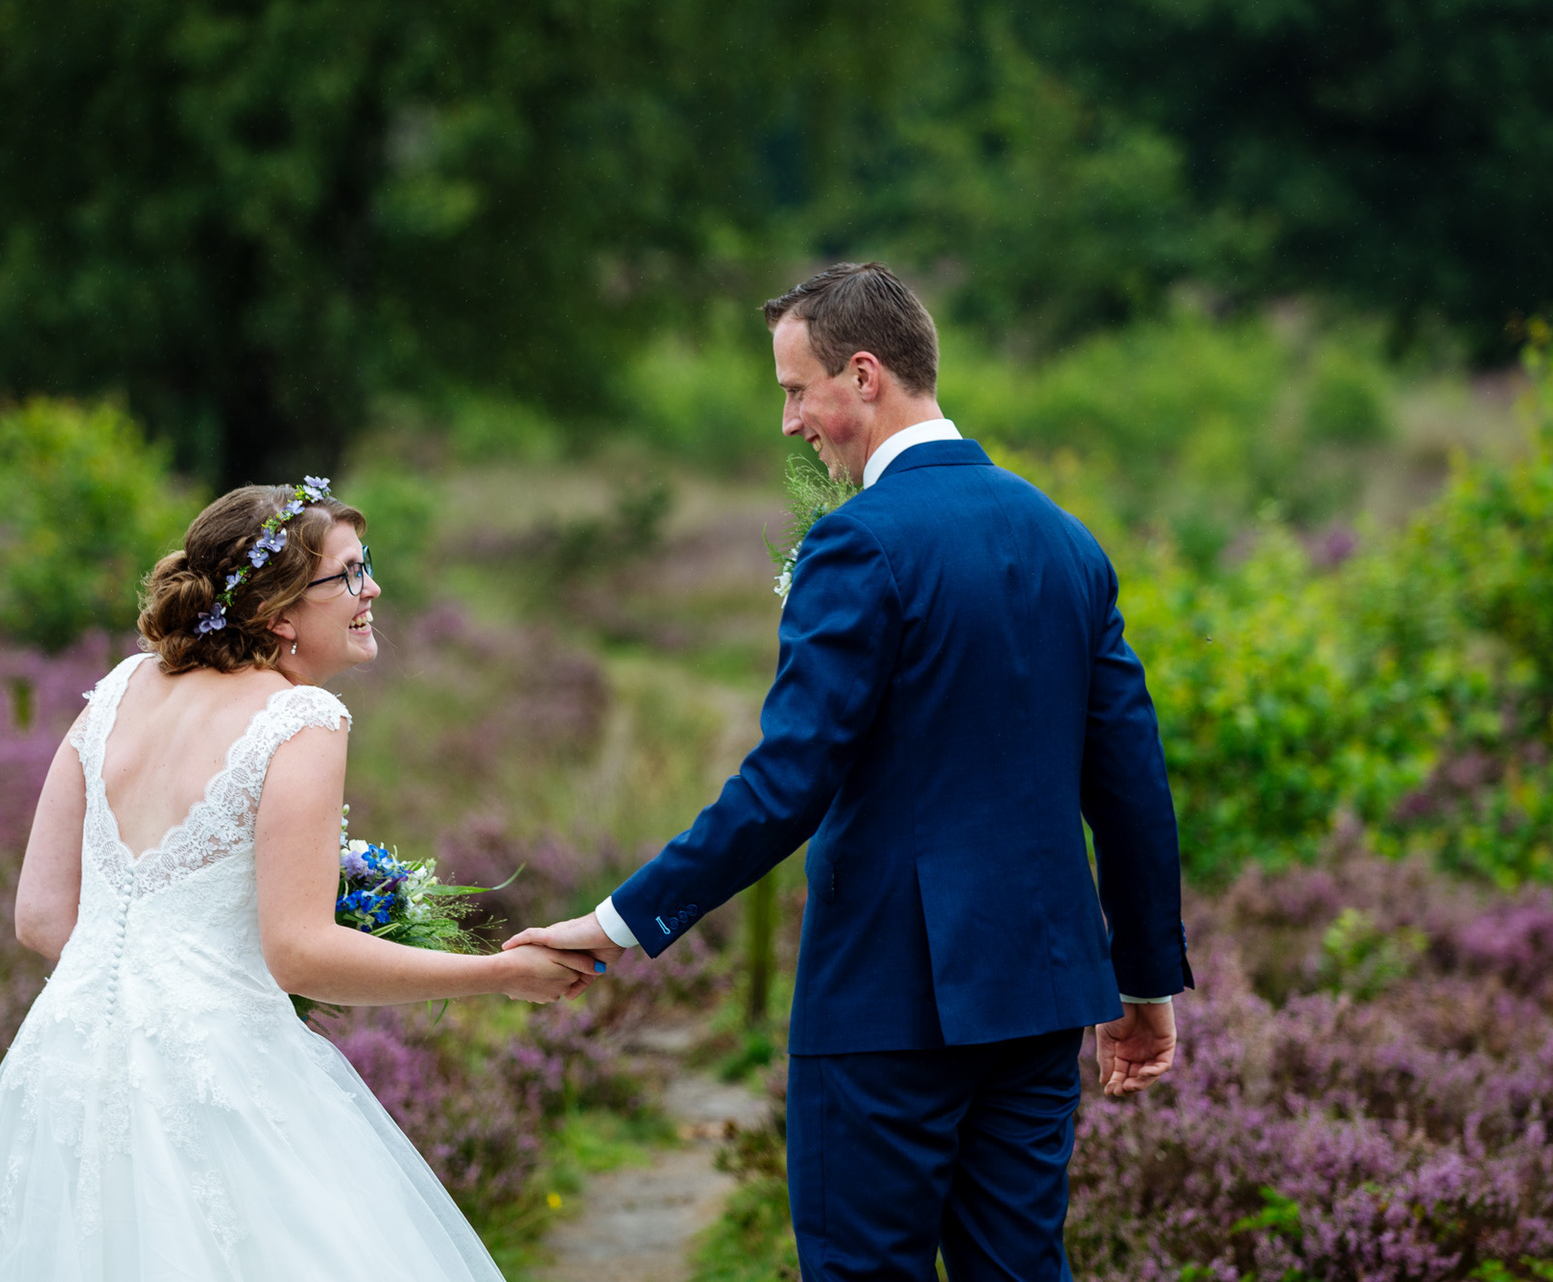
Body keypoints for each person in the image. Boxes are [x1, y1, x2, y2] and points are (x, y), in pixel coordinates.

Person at [507, 263, 1192, 1281]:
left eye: (796, 390)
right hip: (1042, 995)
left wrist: (617, 923)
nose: (791, 423)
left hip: (886, 1005)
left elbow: (789, 781)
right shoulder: (1069, 544)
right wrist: (1145, 981)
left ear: (864, 376)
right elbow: (1133, 787)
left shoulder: (859, 547)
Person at [0, 481, 598, 1280]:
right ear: (280, 614)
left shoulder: (115, 693)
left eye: (366, 565)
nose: (371, 588)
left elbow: (39, 918)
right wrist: (496, 975)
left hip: (63, 1061)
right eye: (347, 574)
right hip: (218, 1071)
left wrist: (146, 978)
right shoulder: (300, 721)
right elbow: (299, 954)